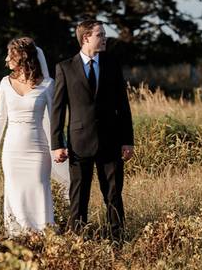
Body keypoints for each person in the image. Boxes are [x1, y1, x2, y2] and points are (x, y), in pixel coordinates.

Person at [50, 20, 134, 239]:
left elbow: (123, 106)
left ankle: (117, 240)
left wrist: (127, 140)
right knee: (79, 196)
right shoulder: (64, 68)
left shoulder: (112, 64)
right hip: (79, 143)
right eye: (100, 34)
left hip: (111, 141)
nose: (105, 38)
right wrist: (57, 144)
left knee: (113, 195)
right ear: (86, 37)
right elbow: (58, 110)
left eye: (104, 34)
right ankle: (78, 240)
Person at [0, 37, 64, 235]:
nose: (6, 59)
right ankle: (18, 237)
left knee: (38, 189)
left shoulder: (47, 84)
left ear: (23, 56)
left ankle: (42, 234)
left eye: (10, 54)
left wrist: (58, 146)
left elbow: (56, 119)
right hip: (12, 151)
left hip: (38, 150)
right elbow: (0, 116)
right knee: (14, 192)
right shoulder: (5, 83)